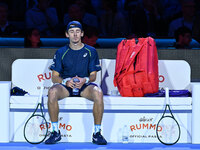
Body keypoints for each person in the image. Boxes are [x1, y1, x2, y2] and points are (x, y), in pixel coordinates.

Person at [45, 21, 107, 145]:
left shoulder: (91, 51)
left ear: (82, 34)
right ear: (67, 34)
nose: (75, 35)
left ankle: (97, 133)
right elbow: (54, 77)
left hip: (84, 86)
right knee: (52, 92)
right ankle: (55, 132)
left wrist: (86, 80)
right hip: (66, 86)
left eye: (78, 32)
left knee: (98, 93)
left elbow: (93, 75)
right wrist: (65, 81)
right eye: (72, 32)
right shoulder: (61, 52)